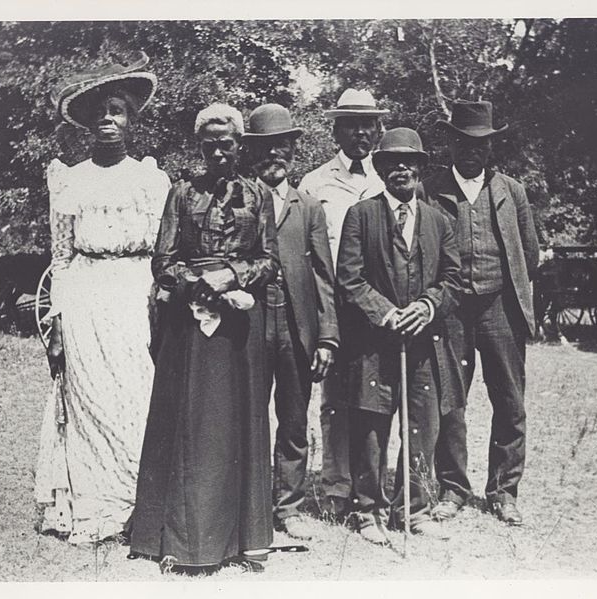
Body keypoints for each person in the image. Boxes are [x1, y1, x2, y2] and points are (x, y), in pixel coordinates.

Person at [130, 103, 280, 572]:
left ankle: (239, 540)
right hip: (188, 327)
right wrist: (200, 286)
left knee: (237, 423)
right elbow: (163, 260)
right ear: (199, 146)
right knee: (189, 423)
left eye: (227, 142)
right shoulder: (181, 194)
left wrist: (232, 276)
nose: (219, 150)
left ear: (240, 146)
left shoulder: (258, 195)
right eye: (209, 143)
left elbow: (269, 260)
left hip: (239, 328)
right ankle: (181, 540)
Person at [35, 52, 171, 544]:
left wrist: (161, 306)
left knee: (134, 396)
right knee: (89, 398)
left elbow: (163, 254)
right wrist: (58, 320)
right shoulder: (70, 180)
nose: (108, 121)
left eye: (117, 111)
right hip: (87, 296)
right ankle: (93, 507)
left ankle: (137, 504)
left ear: (132, 120)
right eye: (100, 114)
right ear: (88, 125)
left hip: (136, 297)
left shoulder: (151, 181)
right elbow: (63, 256)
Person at [336, 127, 461, 544]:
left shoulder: (439, 220)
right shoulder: (362, 215)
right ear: (380, 168)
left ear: (422, 168)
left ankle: (415, 508)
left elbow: (453, 278)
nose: (401, 169)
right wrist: (387, 313)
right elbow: (349, 280)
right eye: (391, 163)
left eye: (409, 162)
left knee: (422, 425)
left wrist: (426, 306)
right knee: (372, 426)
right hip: (374, 342)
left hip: (423, 343)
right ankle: (366, 510)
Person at [422, 100, 539, 526]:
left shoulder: (512, 191)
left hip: (500, 309)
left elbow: (530, 253)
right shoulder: (429, 189)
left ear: (491, 148)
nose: (473, 150)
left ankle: (504, 492)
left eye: (482, 144)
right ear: (451, 143)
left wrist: (508, 294)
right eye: (464, 142)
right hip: (449, 311)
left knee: (509, 401)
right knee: (450, 402)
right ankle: (452, 488)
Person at [242, 104, 339, 540]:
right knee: (248, 415)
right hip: (249, 325)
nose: (273, 156)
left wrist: (327, 338)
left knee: (294, 420)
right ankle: (249, 502)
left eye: (281, 146)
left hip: (297, 327)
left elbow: (324, 275)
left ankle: (290, 505)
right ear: (252, 153)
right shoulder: (238, 199)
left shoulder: (310, 207)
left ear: (293, 151)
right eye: (264, 148)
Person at [298, 88, 388, 519]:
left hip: (377, 308)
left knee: (373, 399)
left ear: (378, 129)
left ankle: (373, 486)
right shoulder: (315, 183)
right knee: (334, 399)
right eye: (351, 123)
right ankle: (336, 488)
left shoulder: (389, 177)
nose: (360, 132)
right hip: (332, 305)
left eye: (368, 124)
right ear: (336, 128)